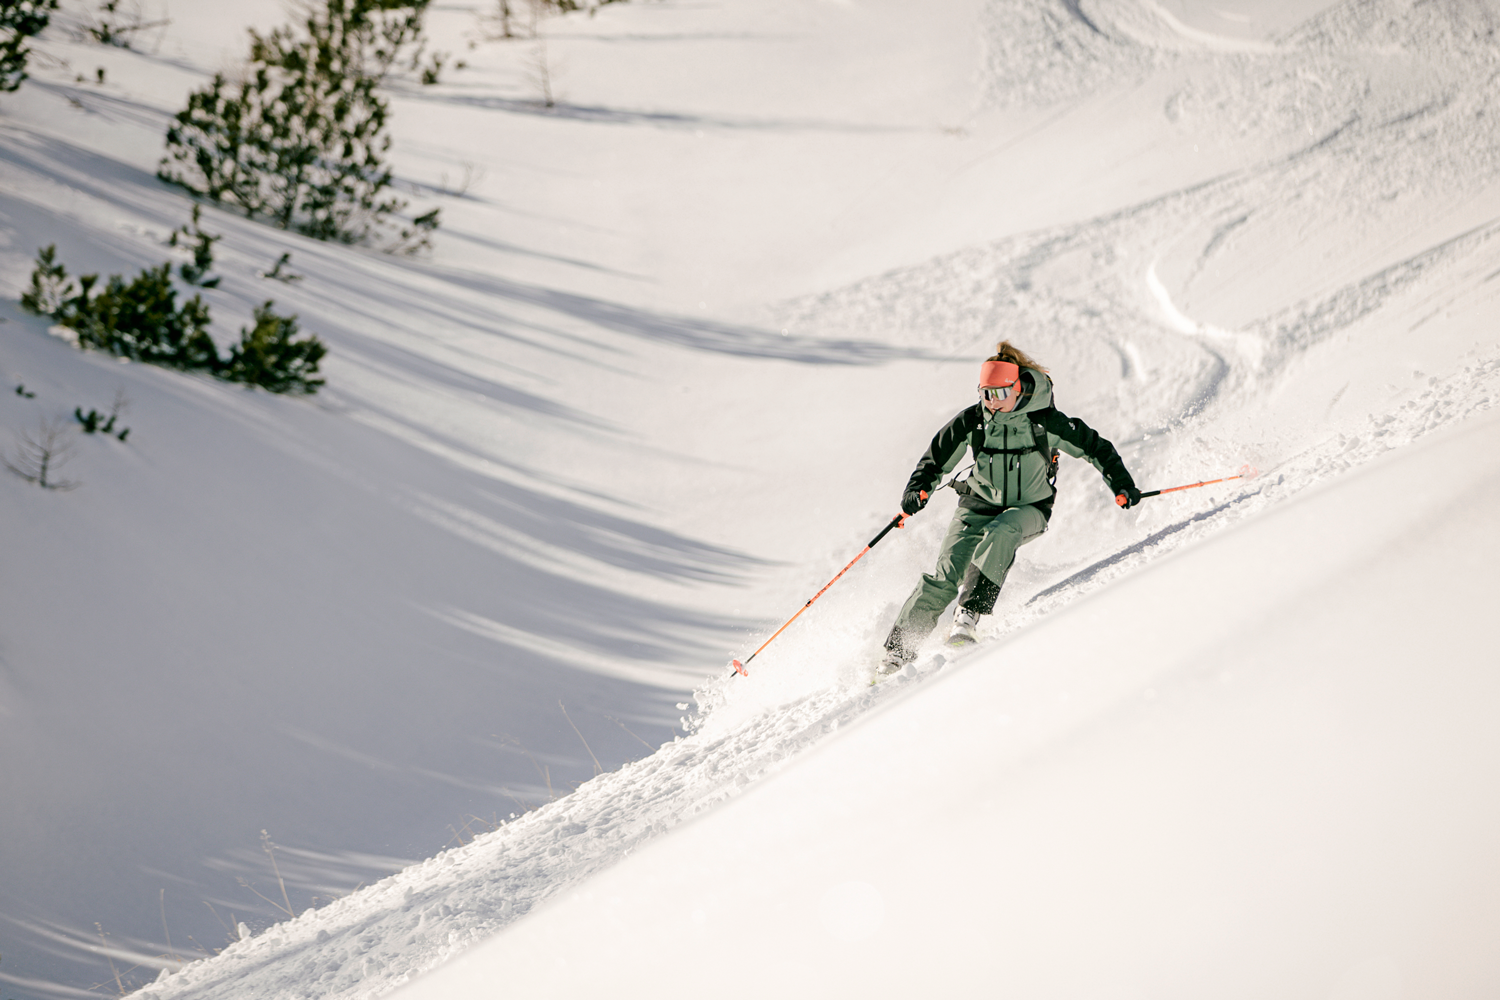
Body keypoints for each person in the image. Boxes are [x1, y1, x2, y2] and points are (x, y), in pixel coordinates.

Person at [879, 341, 1140, 674]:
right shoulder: (975, 421)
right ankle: (897, 652)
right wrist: (917, 491)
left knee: (1002, 531)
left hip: (1030, 507)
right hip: (977, 504)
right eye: (985, 394)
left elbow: (1096, 448)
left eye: (999, 394)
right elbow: (936, 459)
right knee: (945, 574)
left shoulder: (1045, 421)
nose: (991, 403)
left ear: (1018, 388)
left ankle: (967, 618)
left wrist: (1122, 485)